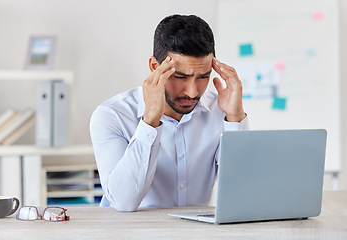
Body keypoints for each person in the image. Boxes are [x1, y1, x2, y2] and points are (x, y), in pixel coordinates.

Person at [90, 14, 249, 212]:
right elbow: (123, 202)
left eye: (203, 76)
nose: (192, 92)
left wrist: (235, 118)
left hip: (194, 232)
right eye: (181, 77)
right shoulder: (112, 115)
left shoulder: (220, 110)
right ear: (155, 67)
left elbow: (242, 191)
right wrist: (150, 122)